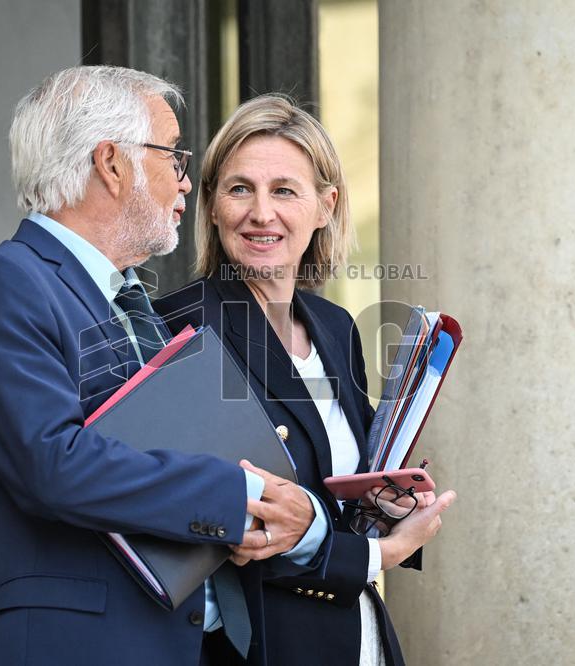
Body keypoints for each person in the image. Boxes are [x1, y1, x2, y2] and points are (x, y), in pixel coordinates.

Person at [0, 67, 331, 666]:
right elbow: (52, 463)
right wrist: (240, 495)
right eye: (172, 155)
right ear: (112, 164)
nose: (185, 181)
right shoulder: (5, 283)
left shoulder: (130, 300)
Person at [154, 94, 457, 666]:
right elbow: (243, 525)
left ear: (325, 206)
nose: (260, 213)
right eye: (240, 188)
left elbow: (334, 492)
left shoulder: (335, 326)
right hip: (261, 646)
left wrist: (387, 504)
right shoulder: (183, 326)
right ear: (213, 206)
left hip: (357, 634)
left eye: (284, 190)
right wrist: (377, 555)